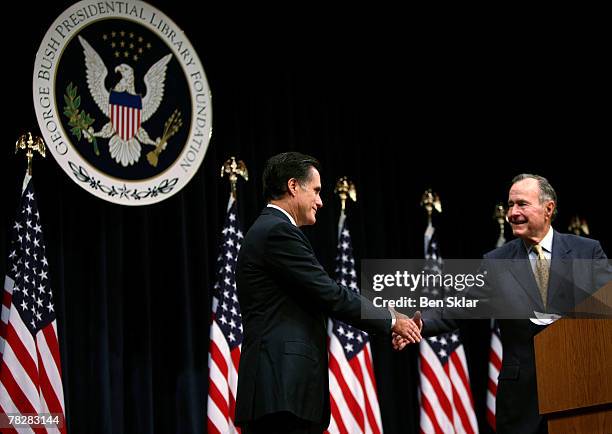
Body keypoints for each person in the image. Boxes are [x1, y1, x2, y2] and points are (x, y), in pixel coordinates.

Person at [395, 173, 611, 434]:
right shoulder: (497, 261)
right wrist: (416, 326)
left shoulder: (586, 251)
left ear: (548, 209)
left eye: (521, 204)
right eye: (510, 205)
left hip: (582, 392)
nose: (513, 212)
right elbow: (460, 307)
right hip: (521, 402)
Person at [234, 152, 422, 434]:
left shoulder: (272, 230)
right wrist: (392, 321)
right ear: (293, 186)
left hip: (283, 392)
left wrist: (392, 316)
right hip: (280, 390)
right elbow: (330, 293)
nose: (321, 202)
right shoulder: (277, 231)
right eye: (317, 191)